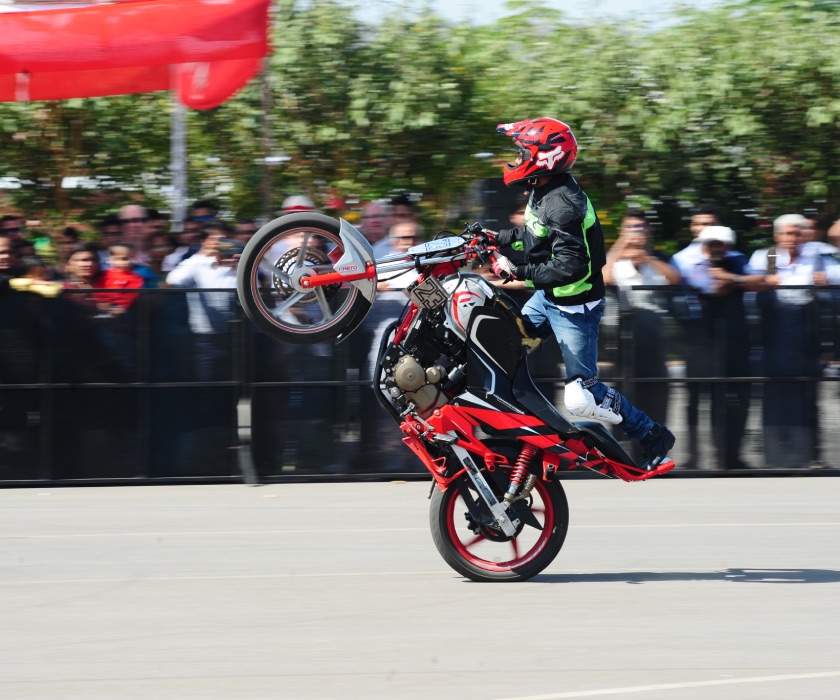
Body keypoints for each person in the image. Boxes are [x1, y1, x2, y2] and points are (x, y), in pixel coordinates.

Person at [489, 117, 675, 469]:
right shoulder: (543, 189)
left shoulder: (563, 203)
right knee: (501, 348)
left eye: (521, 152)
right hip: (549, 298)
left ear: (545, 157)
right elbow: (536, 234)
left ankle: (651, 434)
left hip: (574, 308)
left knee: (581, 397)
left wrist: (517, 272)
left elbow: (570, 266)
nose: (515, 159)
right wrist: (496, 238)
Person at [749, 214, 840, 469]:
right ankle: (775, 459)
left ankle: (809, 457)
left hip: (806, 339)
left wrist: (825, 282)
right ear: (777, 235)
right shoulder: (764, 257)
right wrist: (763, 282)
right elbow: (748, 285)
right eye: (788, 233)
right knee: (775, 397)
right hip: (773, 338)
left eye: (798, 233)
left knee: (807, 398)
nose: (793, 238)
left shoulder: (819, 257)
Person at [678, 225, 766, 470]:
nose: (715, 249)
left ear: (728, 246)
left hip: (735, 344)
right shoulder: (695, 264)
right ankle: (696, 459)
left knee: (735, 401)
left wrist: (732, 279)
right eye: (711, 244)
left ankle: (729, 458)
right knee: (702, 402)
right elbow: (713, 287)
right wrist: (738, 282)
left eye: (720, 244)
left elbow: (761, 282)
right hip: (703, 344)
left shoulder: (737, 262)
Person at [603, 210, 680, 452]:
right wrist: (620, 246)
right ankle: (621, 451)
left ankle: (655, 447)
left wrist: (648, 259)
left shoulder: (657, 258)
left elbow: (675, 278)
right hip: (623, 339)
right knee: (624, 395)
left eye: (640, 228)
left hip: (654, 338)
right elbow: (604, 278)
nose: (636, 234)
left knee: (655, 393)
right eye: (630, 228)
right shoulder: (615, 259)